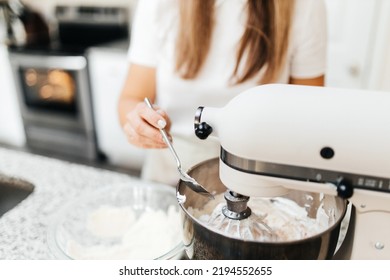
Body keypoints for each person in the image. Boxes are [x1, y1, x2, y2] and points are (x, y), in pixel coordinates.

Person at [118, 0, 327, 186]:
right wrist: (140, 124)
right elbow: (132, 98)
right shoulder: (159, 4)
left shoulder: (304, 6)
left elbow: (307, 116)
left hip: (259, 179)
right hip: (170, 174)